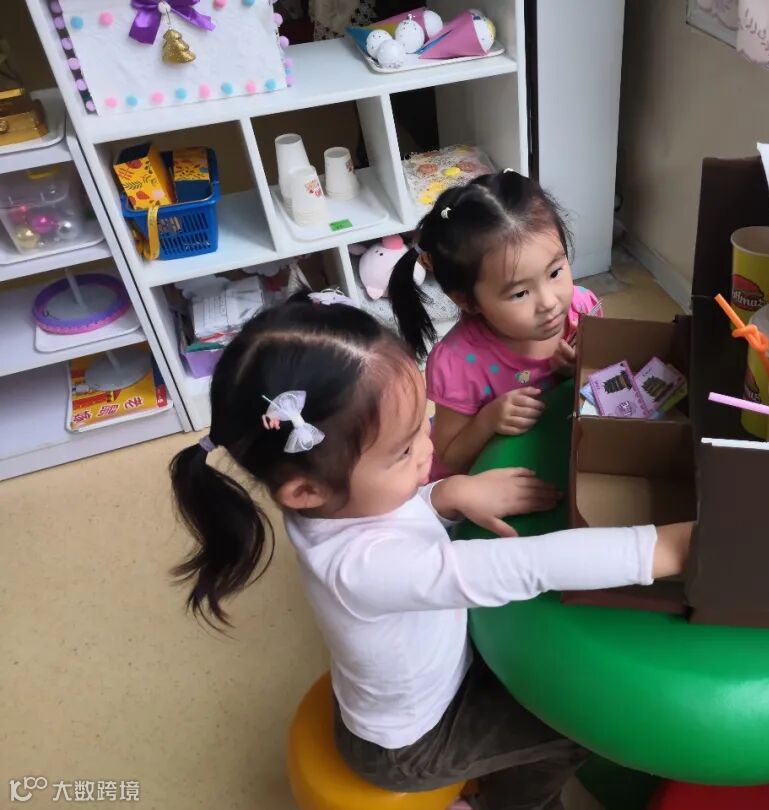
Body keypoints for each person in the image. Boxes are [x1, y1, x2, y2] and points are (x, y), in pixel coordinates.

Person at [170, 292, 692, 809]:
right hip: (413, 744)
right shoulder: (361, 568)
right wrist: (663, 548)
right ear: (306, 491)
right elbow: (524, 565)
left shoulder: (332, 503)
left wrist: (445, 495)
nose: (429, 448)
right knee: (575, 726)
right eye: (403, 451)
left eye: (423, 422)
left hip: (433, 680)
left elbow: (395, 519)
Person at [389, 171, 601, 476]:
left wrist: (577, 370)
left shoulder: (582, 309)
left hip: (557, 454)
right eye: (520, 293)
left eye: (555, 272)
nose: (549, 302)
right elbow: (450, 458)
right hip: (489, 478)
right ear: (467, 301)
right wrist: (488, 421)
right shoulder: (457, 364)